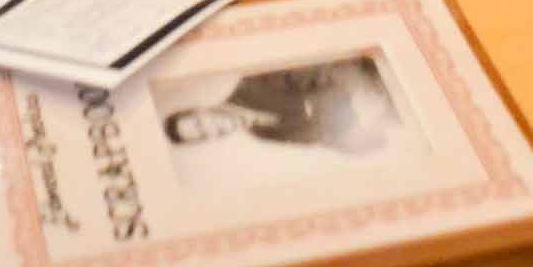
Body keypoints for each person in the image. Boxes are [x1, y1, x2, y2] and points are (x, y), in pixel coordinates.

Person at [161, 58, 397, 155]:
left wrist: (361, 98)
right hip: (385, 120)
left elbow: (332, 69)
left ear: (202, 108)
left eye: (201, 122)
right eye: (204, 135)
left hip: (384, 79)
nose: (212, 129)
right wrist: (366, 139)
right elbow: (324, 140)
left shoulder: (254, 82)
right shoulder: (262, 135)